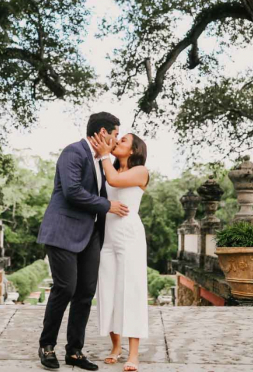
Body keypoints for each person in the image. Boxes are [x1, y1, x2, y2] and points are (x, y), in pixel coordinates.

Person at [37, 112, 129, 371]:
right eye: (115, 135)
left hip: (90, 236)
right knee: (65, 288)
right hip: (63, 232)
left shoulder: (102, 162)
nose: (116, 139)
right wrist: (108, 205)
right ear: (102, 132)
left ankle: (74, 351)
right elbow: (73, 191)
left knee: (85, 293)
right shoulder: (73, 152)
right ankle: (47, 345)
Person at [89, 131, 150, 372]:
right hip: (108, 237)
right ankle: (115, 347)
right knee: (108, 290)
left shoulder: (140, 171)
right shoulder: (108, 168)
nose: (117, 142)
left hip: (130, 236)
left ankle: (133, 353)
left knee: (131, 291)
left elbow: (113, 181)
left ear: (134, 150)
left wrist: (104, 154)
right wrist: (101, 153)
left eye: (123, 140)